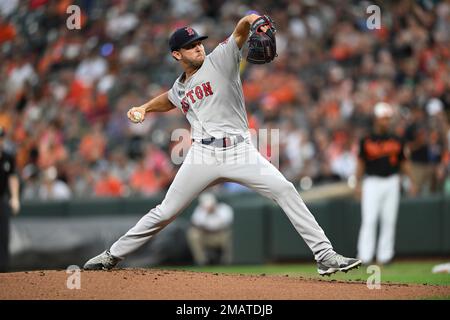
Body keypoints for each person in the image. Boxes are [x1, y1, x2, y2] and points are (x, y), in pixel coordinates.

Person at [84, 14, 361, 276]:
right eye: (190, 47)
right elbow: (169, 98)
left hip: (240, 150)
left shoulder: (220, 59)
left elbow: (241, 29)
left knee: (285, 189)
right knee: (165, 211)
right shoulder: (180, 86)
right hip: (202, 154)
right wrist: (144, 108)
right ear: (176, 55)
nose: (198, 49)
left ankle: (325, 255)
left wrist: (255, 20)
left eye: (198, 43)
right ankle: (111, 256)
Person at [355, 102, 418, 265]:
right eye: (384, 118)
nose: (386, 121)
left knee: (389, 220)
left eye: (388, 118)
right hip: (372, 182)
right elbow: (361, 163)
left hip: (392, 181)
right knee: (369, 220)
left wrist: (412, 181)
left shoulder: (397, 140)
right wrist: (357, 183)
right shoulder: (366, 140)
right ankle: (365, 256)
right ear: (376, 119)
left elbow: (404, 162)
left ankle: (385, 256)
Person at [187, 193, 233, 266]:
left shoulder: (223, 208)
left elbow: (226, 222)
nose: (209, 208)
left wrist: (214, 213)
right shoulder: (199, 210)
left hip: (220, 235)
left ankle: (227, 262)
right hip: (206, 236)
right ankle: (202, 261)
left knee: (229, 234)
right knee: (193, 234)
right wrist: (206, 213)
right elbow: (196, 223)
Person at [0, 127, 20, 272]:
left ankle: (3, 271)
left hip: (2, 199)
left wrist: (15, 198)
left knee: (4, 235)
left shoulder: (8, 157)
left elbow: (12, 177)